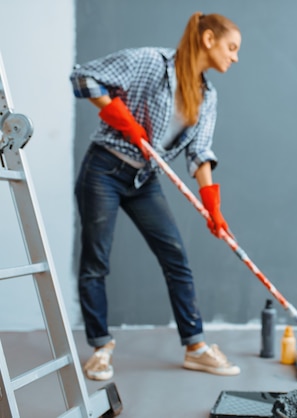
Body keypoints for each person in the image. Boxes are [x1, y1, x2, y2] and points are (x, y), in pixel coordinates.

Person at [70, 12, 242, 381]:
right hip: (103, 170)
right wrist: (120, 117)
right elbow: (82, 75)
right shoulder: (150, 61)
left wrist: (213, 206)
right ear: (209, 39)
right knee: (96, 261)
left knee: (176, 257)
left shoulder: (207, 97)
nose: (235, 56)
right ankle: (101, 348)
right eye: (232, 47)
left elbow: (199, 153)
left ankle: (195, 347)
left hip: (143, 179)